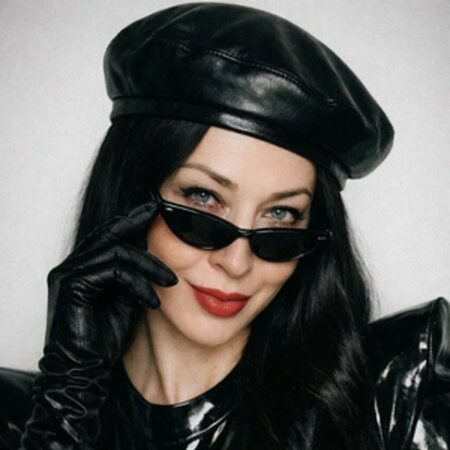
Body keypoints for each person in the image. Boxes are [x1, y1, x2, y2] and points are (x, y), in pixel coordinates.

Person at [0, 3, 449, 449]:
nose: (237, 263)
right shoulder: (23, 419)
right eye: (203, 199)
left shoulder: (394, 395)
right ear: (129, 196)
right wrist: (66, 409)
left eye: (281, 216)